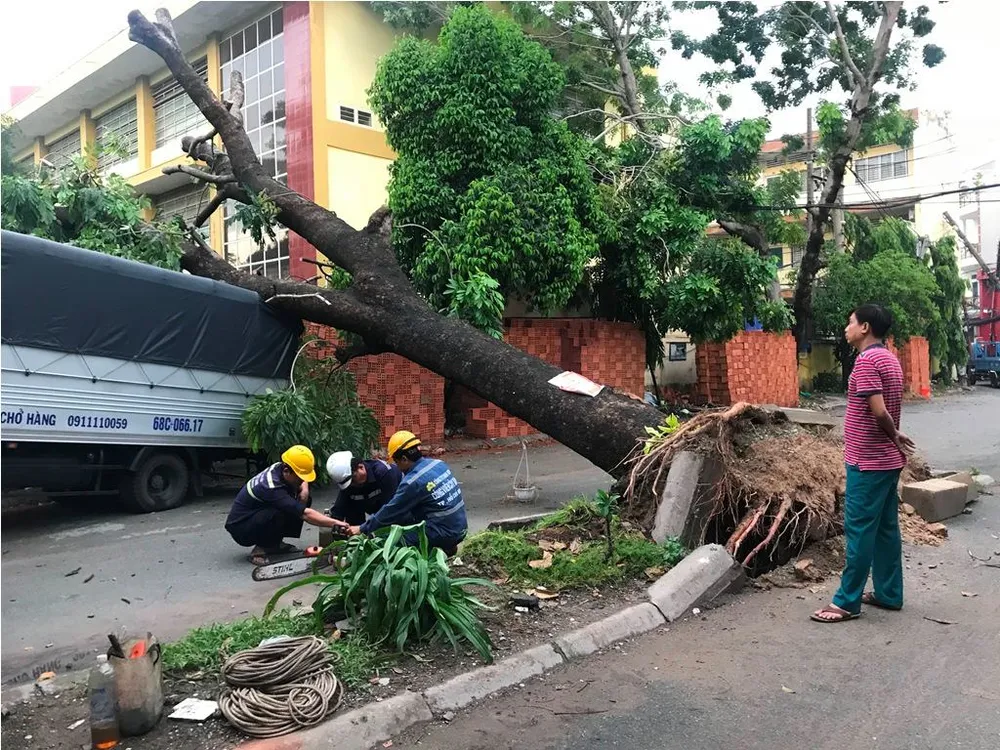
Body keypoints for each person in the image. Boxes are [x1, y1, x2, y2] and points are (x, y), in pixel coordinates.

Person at [812, 304, 915, 623]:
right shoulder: (889, 358)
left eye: (850, 322)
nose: (846, 327)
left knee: (859, 530)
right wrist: (894, 440)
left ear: (865, 327)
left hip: (869, 461)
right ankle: (888, 593)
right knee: (885, 529)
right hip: (886, 462)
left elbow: (879, 411)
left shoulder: (868, 361)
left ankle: (846, 602)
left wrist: (894, 435)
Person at [347, 431, 468, 553]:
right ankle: (447, 548)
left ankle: (436, 552)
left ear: (404, 459)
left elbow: (391, 511)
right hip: (460, 527)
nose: (397, 466)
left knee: (391, 540)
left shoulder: (413, 482)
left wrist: (362, 528)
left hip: (445, 532)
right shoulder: (439, 464)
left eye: (396, 462)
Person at [225, 445, 348, 565]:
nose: (302, 480)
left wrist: (304, 489)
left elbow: (303, 480)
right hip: (242, 528)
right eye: (299, 478)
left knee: (302, 499)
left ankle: (275, 544)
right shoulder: (271, 487)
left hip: (256, 515)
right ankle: (260, 550)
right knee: (281, 511)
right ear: (286, 471)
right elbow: (305, 514)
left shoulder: (281, 467)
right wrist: (334, 523)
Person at [325, 451, 403, 526]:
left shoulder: (384, 473)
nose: (352, 485)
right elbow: (338, 513)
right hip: (373, 513)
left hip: (399, 513)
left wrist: (364, 528)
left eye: (353, 480)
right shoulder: (349, 484)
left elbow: (390, 511)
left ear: (361, 467)